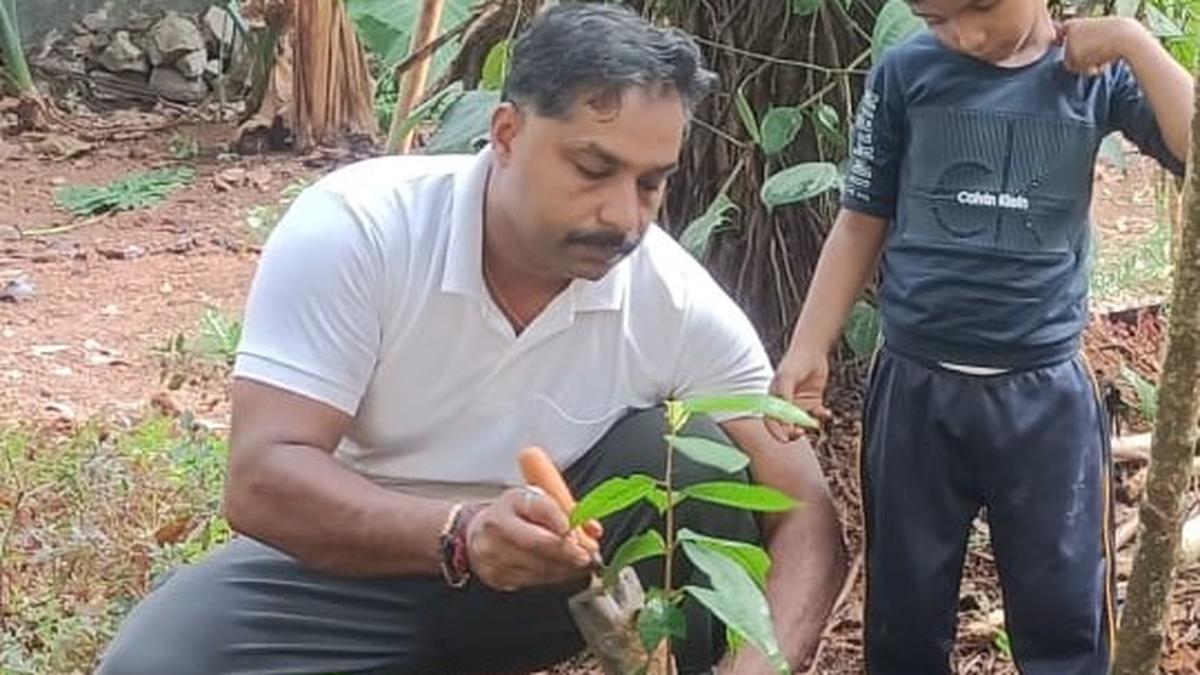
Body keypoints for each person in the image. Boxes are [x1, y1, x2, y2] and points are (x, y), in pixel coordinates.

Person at [98, 5, 847, 675]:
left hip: (552, 586)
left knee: (687, 449)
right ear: (508, 135)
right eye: (593, 168)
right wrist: (460, 534)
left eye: (652, 183)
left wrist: (759, 665)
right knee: (156, 662)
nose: (625, 215)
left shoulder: (671, 298)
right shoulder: (362, 229)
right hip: (353, 570)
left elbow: (804, 511)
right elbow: (263, 475)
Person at [767, 0, 1194, 672]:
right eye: (935, 17)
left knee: (1065, 618)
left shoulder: (1094, 74)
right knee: (903, 617)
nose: (964, 35)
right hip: (915, 392)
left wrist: (1132, 41)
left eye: (981, 10)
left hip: (1045, 397)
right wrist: (807, 344)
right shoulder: (906, 73)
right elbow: (860, 219)